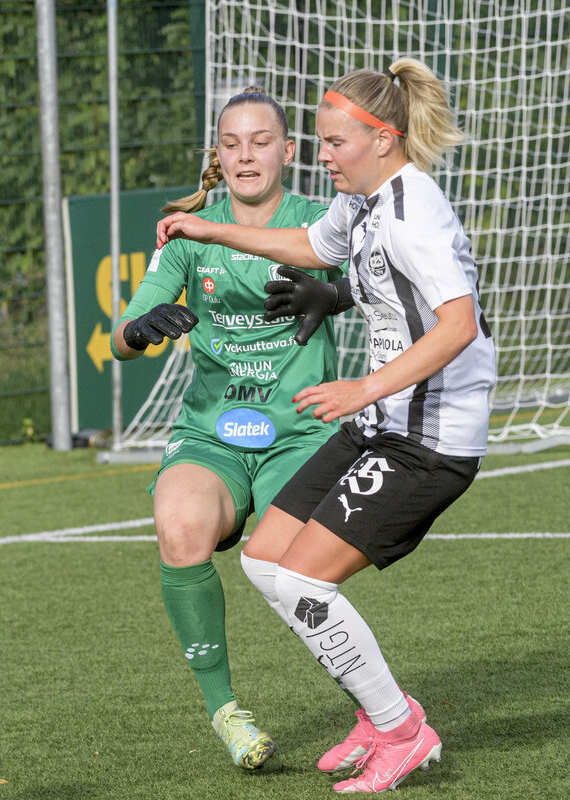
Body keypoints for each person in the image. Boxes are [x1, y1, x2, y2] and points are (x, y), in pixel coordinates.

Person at [156, 58, 496, 794]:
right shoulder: (364, 202)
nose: (323, 154)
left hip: (428, 438)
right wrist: (208, 228)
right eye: (320, 140)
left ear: (383, 139)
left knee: (305, 582)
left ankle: (401, 729)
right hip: (381, 419)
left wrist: (363, 387)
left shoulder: (411, 213)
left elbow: (459, 324)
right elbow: (311, 248)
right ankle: (381, 715)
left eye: (336, 141)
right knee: (264, 558)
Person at [112, 87, 346, 771]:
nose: (247, 155)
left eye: (261, 141)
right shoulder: (187, 235)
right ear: (218, 155)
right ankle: (225, 711)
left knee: (294, 564)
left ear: (288, 151)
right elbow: (123, 337)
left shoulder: (322, 223)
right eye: (233, 143)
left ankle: (375, 709)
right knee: (180, 526)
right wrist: (141, 328)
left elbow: (382, 285)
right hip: (212, 435)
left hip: (299, 433)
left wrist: (337, 294)